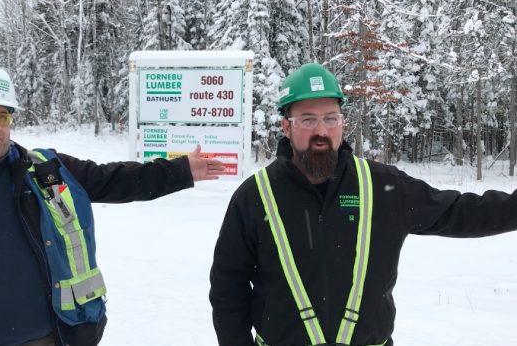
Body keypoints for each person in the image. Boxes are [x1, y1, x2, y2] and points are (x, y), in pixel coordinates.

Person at [0, 64, 225, 346]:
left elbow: (113, 179)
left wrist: (181, 170)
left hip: (48, 340)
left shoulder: (44, 173)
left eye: (4, 117)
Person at [209, 63, 517, 346]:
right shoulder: (255, 195)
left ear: (342, 122)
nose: (321, 131)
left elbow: (458, 212)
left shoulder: (383, 186)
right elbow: (228, 287)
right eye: (308, 119)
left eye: (331, 118)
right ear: (286, 127)